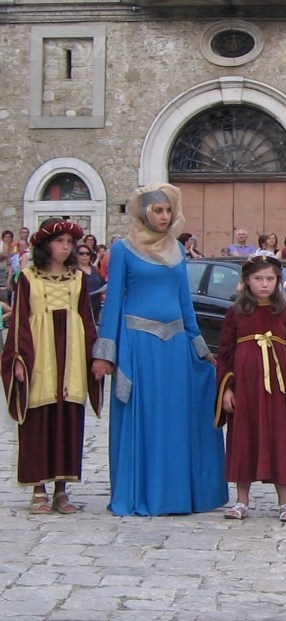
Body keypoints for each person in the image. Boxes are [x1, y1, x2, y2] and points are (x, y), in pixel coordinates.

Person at [92, 183, 228, 516]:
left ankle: (176, 494)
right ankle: (143, 492)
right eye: (158, 210)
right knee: (145, 418)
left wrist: (200, 349)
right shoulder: (123, 249)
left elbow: (185, 303)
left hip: (176, 348)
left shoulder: (176, 249)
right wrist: (105, 353)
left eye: (168, 210)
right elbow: (113, 303)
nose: (164, 216)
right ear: (144, 212)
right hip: (138, 346)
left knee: (176, 419)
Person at [2, 219, 102, 514]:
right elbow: (19, 319)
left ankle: (61, 490)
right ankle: (38, 489)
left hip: (71, 356)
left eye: (70, 242)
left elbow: (87, 320)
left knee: (67, 419)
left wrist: (96, 357)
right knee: (38, 419)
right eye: (60, 241)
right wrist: (17, 358)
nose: (66, 247)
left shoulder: (77, 279)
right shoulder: (27, 278)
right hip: (39, 356)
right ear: (45, 245)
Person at [215, 255, 286, 521]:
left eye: (270, 279)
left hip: (277, 389)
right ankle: (241, 500)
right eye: (258, 278)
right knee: (244, 437)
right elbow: (225, 353)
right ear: (247, 280)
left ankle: (285, 502)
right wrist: (227, 388)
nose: (264, 284)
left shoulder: (285, 312)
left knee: (279, 437)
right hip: (245, 388)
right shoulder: (235, 312)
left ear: (278, 281)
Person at [75, 243, 105, 320]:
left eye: (87, 253)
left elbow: (102, 284)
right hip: (80, 307)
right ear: (76, 255)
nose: (85, 255)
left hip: (95, 305)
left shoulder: (95, 270)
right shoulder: (73, 271)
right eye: (81, 253)